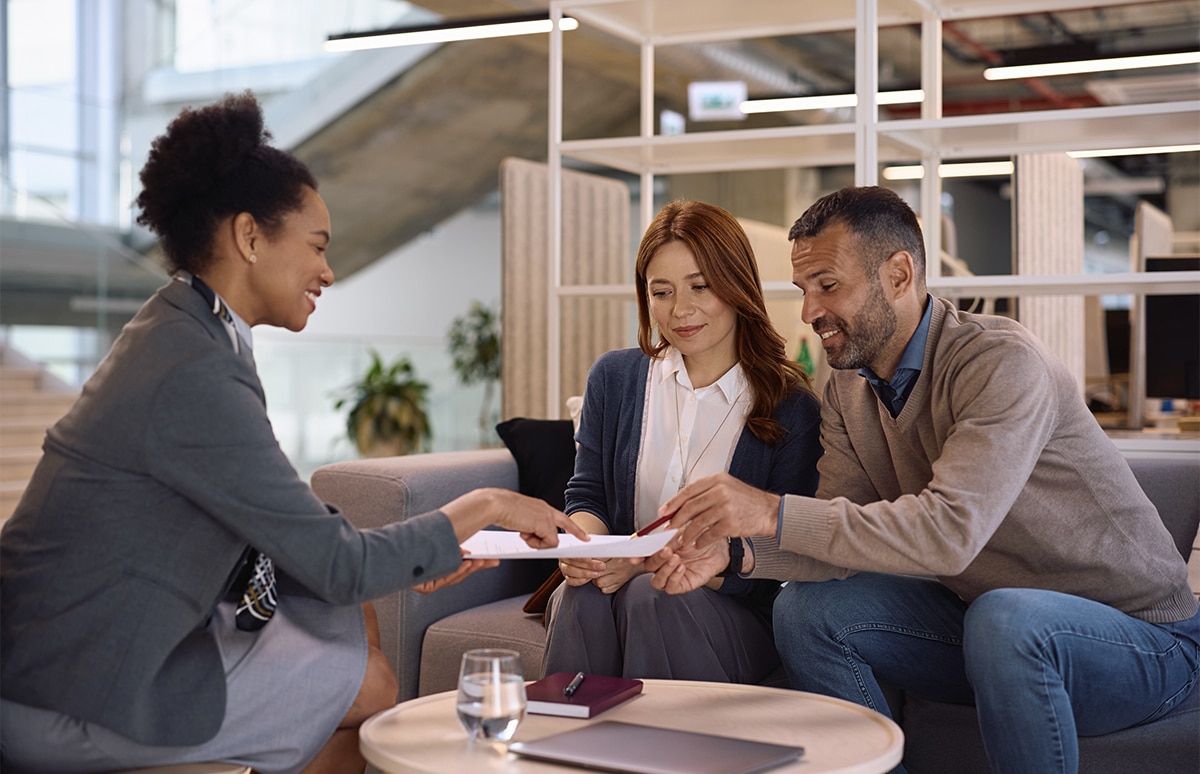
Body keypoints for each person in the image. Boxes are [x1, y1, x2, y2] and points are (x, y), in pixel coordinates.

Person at [0, 91, 586, 774]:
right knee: (371, 684)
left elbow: (299, 534)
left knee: (356, 620)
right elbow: (337, 564)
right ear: (250, 238)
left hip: (91, 646)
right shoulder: (191, 371)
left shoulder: (186, 328)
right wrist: (487, 505)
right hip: (79, 688)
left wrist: (418, 550)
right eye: (317, 247)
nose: (327, 272)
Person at [646, 186, 1200, 773]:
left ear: (899, 275)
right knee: (808, 610)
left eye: (827, 285)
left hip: (1142, 643)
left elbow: (949, 533)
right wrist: (736, 553)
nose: (809, 311)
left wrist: (767, 510)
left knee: (1006, 620)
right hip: (990, 629)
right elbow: (833, 539)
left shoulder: (1000, 362)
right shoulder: (849, 388)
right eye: (803, 290)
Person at [541, 199, 822, 682]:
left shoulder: (792, 406)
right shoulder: (614, 377)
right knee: (579, 591)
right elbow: (587, 497)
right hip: (621, 588)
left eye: (701, 286)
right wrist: (583, 547)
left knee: (654, 593)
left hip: (728, 608)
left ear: (736, 285)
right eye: (662, 292)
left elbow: (780, 558)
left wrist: (647, 566)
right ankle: (561, 726)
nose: (681, 310)